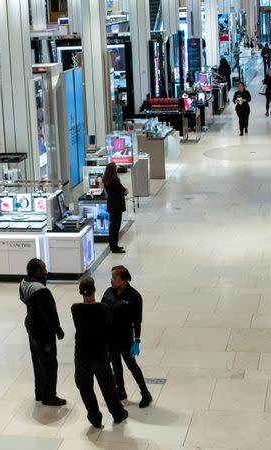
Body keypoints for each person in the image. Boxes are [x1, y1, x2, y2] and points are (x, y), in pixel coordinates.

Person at [71, 277, 128, 428]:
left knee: (85, 387)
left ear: (80, 293)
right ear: (94, 290)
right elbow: (108, 326)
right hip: (99, 354)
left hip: (81, 355)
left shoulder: (75, 308)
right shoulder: (103, 309)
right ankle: (117, 413)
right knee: (108, 386)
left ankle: (95, 418)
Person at [102, 265, 152, 408]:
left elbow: (137, 321)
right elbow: (102, 312)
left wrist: (137, 340)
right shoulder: (108, 292)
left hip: (125, 338)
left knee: (131, 365)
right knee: (116, 366)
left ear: (124, 279)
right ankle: (121, 391)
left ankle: (145, 393)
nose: (111, 280)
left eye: (115, 278)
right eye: (111, 277)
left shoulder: (134, 297)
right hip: (110, 338)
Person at [19, 258, 66, 406]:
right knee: (49, 364)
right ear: (37, 272)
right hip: (43, 333)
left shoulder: (23, 283)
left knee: (37, 362)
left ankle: (39, 392)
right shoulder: (42, 291)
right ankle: (49, 396)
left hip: (31, 328)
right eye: (44, 269)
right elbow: (50, 314)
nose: (46, 272)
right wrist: (58, 330)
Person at [102, 163, 128, 254]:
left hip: (111, 205)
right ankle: (114, 247)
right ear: (113, 170)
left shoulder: (106, 180)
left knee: (112, 227)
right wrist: (125, 191)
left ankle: (113, 245)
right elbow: (124, 191)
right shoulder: (115, 181)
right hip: (117, 206)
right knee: (116, 227)